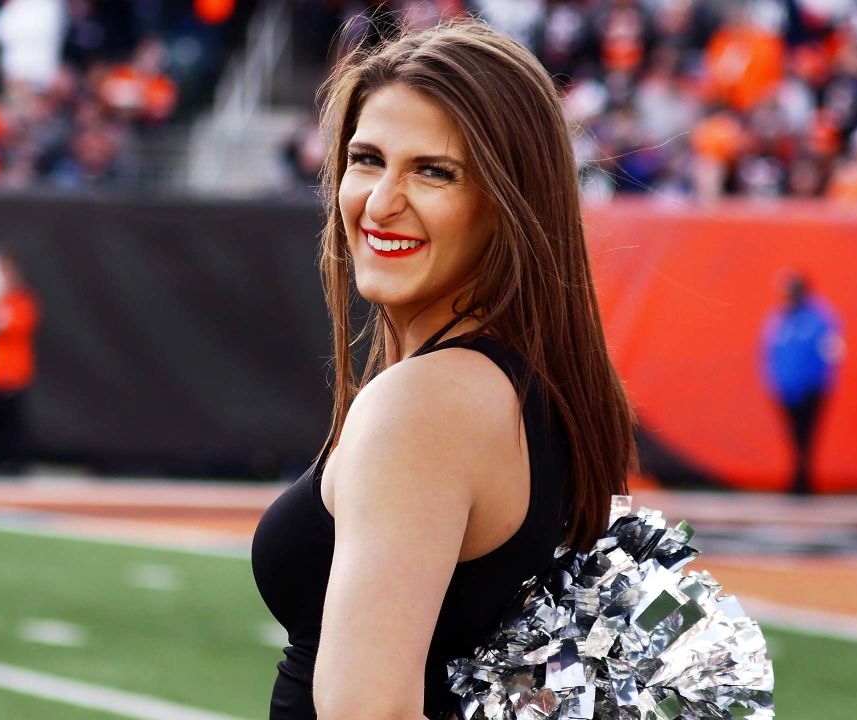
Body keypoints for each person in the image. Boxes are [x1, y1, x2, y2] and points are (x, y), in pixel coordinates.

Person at [250, 17, 637, 720]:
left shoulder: (427, 404)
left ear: (506, 203)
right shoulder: (522, 383)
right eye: (367, 160)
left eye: (433, 171)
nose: (380, 201)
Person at [759, 272, 843, 496]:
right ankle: (799, 478)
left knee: (806, 436)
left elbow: (830, 352)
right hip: (786, 389)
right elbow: (768, 352)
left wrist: (821, 382)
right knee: (794, 436)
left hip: (812, 388)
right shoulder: (779, 319)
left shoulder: (819, 318)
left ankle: (803, 481)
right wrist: (774, 382)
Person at [0, 249, 40, 475]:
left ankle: (17, 463)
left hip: (13, 372)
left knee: (14, 422)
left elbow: (12, 326)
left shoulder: (21, 300)